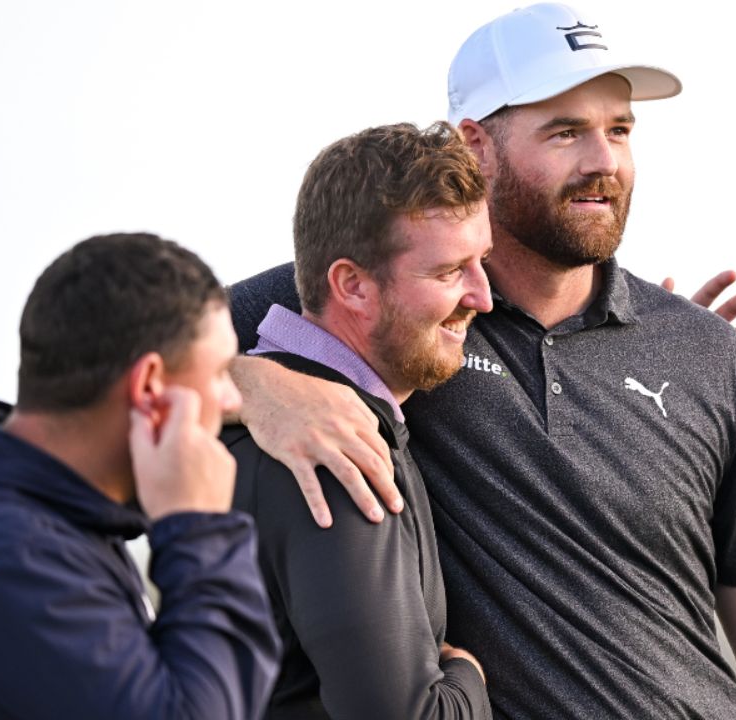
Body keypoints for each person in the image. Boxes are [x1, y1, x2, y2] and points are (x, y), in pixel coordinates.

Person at [228, 4, 736, 718]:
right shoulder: (402, 303)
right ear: (474, 144)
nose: (603, 161)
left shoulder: (704, 351)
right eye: (566, 132)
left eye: (620, 130)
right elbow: (122, 357)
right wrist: (252, 382)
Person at [0, 233, 281, 719]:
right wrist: (200, 528)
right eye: (219, 373)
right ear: (148, 387)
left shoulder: (38, 522)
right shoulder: (5, 554)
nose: (232, 399)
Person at [222, 123, 493, 719]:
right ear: (352, 285)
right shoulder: (332, 448)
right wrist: (468, 674)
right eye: (450, 272)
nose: (483, 297)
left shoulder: (269, 414)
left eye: (483, 262)